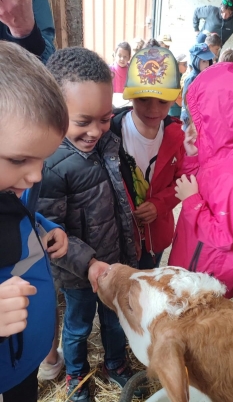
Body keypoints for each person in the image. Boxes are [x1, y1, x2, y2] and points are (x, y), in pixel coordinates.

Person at [37, 47, 139, 402]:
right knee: (78, 327)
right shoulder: (49, 166)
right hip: (78, 272)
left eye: (105, 118)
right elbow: (50, 230)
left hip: (114, 262)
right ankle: (77, 377)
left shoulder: (109, 144)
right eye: (84, 121)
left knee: (114, 319)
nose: (96, 130)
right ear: (55, 110)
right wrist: (89, 263)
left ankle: (116, 364)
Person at [0, 41, 68, 402]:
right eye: (19, 160)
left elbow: (20, 219)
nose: (34, 176)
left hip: (23, 360)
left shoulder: (9, 189)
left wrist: (45, 226)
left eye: (42, 161)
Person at [169, 62, 233, 299]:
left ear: (217, 120)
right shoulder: (220, 154)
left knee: (196, 332)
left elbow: (224, 237)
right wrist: (193, 154)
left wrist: (191, 202)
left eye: (198, 121)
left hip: (205, 282)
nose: (190, 127)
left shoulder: (232, 177)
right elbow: (202, 178)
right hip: (193, 263)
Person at [110, 47, 185, 269]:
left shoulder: (177, 137)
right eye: (143, 99)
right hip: (116, 237)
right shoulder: (111, 133)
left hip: (155, 237)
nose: (153, 109)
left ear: (173, 99)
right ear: (131, 95)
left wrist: (160, 204)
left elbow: (184, 179)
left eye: (162, 102)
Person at [180, 43, 215, 130]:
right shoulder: (191, 79)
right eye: (203, 61)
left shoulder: (206, 76)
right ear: (195, 60)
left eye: (208, 61)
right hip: (190, 120)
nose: (207, 64)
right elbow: (187, 102)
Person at [169, 53, 188, 118]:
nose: (186, 66)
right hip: (174, 113)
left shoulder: (182, 76)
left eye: (187, 64)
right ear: (177, 64)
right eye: (184, 64)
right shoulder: (173, 77)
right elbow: (176, 98)